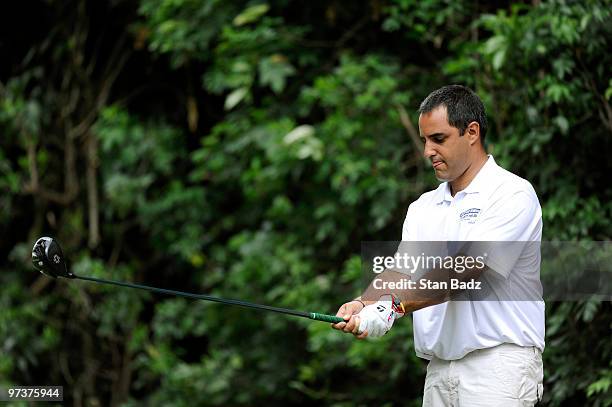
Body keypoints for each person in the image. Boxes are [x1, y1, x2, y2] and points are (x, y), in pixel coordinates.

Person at [332, 85, 544, 406]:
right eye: (425, 140)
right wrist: (364, 302)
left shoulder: (512, 194)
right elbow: (402, 273)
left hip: (498, 366)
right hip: (439, 370)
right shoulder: (423, 207)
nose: (427, 151)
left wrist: (392, 306)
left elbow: (468, 270)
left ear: (471, 132)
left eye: (438, 139)